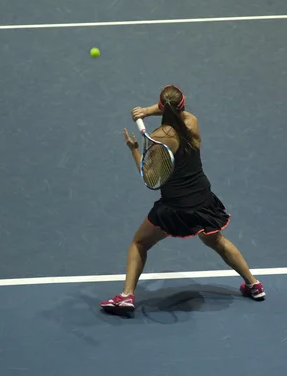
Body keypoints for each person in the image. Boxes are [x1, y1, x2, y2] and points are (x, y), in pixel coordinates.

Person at [100, 85, 264, 313]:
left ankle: (127, 296)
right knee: (216, 241)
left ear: (162, 107)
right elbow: (171, 110)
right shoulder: (192, 122)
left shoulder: (158, 138)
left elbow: (150, 178)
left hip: (175, 207)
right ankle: (253, 284)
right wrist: (147, 111)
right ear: (182, 105)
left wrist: (134, 149)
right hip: (202, 199)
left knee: (140, 243)